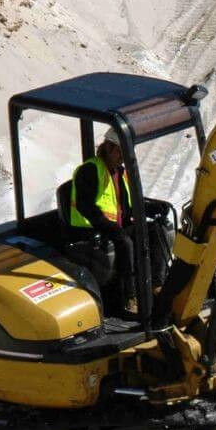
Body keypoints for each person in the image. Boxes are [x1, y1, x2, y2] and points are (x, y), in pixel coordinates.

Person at [69, 128, 166, 315]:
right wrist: (109, 227)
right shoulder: (90, 170)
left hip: (114, 227)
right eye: (120, 151)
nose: (123, 156)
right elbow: (85, 206)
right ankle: (129, 298)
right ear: (108, 147)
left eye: (126, 152)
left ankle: (156, 284)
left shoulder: (120, 172)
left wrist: (150, 208)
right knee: (124, 242)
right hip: (89, 230)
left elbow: (128, 206)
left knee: (156, 229)